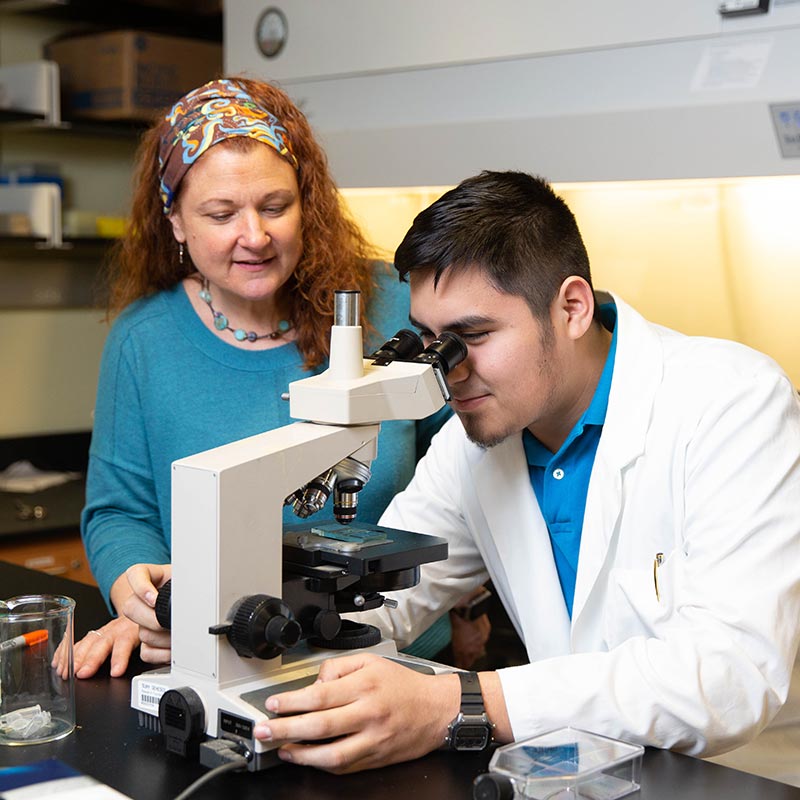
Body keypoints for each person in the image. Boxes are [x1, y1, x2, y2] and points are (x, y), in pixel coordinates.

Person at [250, 170, 800, 786]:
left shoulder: (732, 402)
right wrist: (231, 617)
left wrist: (460, 703)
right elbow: (383, 593)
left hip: (717, 779)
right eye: (431, 341)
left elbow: (731, 677)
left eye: (472, 337)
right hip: (563, 775)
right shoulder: (478, 437)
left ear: (571, 307)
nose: (447, 373)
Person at [69, 77, 462, 680]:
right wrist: (139, 594)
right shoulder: (143, 341)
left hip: (400, 657)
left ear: (307, 202)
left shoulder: (392, 303)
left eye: (275, 207)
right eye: (221, 214)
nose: (254, 236)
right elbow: (119, 512)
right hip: (228, 654)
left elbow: (475, 462)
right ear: (175, 220)